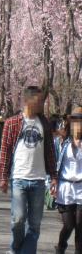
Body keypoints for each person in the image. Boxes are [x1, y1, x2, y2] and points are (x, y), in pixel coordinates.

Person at [0, 85, 58, 254]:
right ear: (27, 101)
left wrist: (53, 176)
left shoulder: (44, 123)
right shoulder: (12, 123)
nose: (41, 104)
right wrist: (3, 177)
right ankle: (16, 249)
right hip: (19, 178)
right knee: (17, 220)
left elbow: (50, 152)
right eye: (39, 101)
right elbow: (4, 151)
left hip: (39, 180)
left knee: (35, 224)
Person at [55, 107, 82, 254]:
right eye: (76, 121)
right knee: (69, 225)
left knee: (80, 225)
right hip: (65, 188)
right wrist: (51, 182)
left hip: (81, 188)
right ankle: (60, 247)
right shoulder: (62, 142)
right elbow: (53, 164)